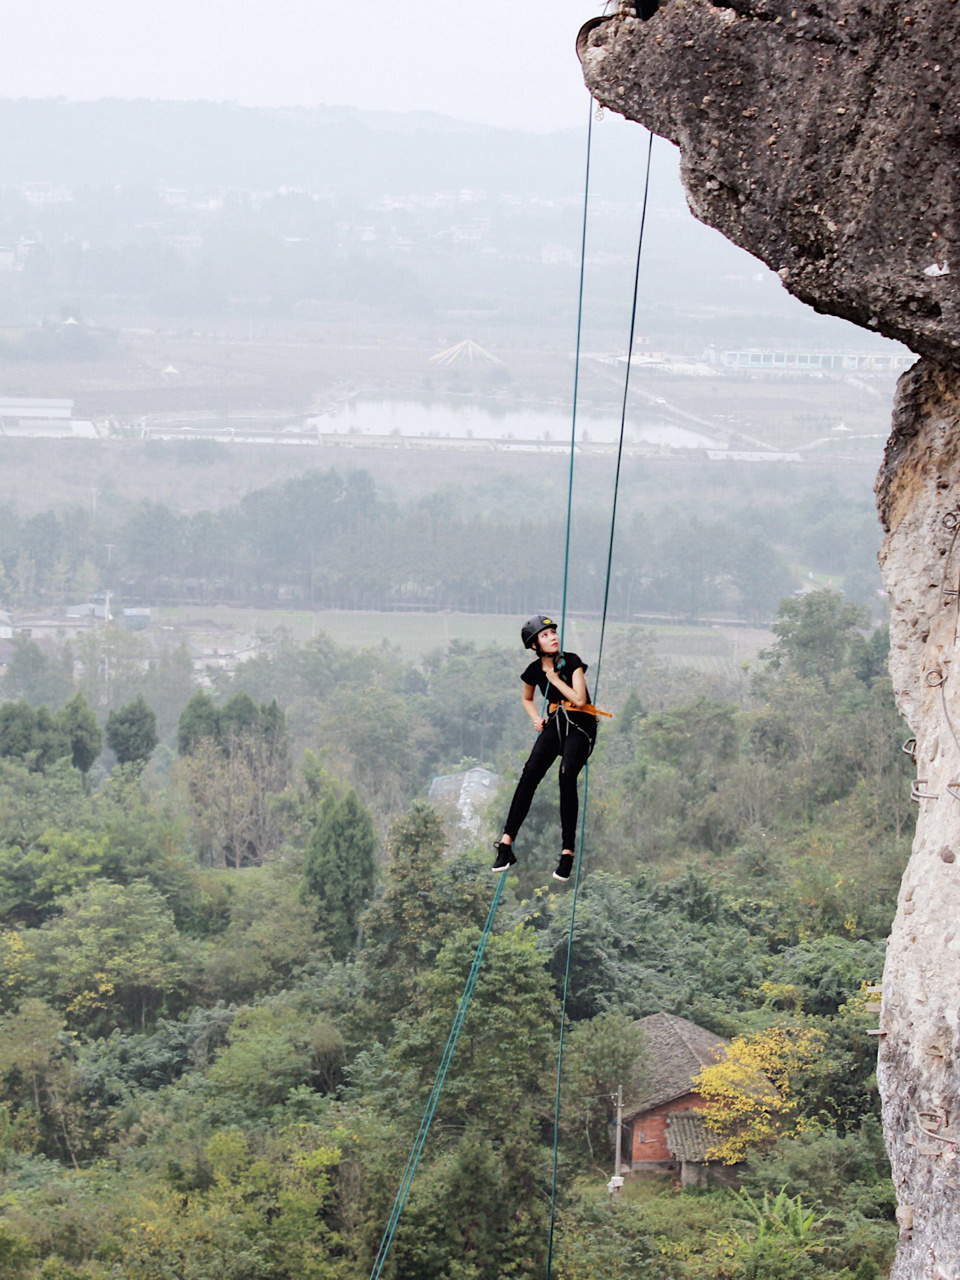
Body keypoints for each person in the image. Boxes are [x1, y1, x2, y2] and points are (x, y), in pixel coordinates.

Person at [492, 614, 599, 883]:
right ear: (534, 645)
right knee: (530, 774)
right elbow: (527, 698)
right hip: (556, 721)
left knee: (566, 774)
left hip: (581, 723)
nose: (552, 637)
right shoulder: (532, 671)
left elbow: (579, 698)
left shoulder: (572, 662)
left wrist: (553, 676)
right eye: (545, 635)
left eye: (553, 632)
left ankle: (567, 853)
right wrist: (534, 718)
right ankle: (506, 844)